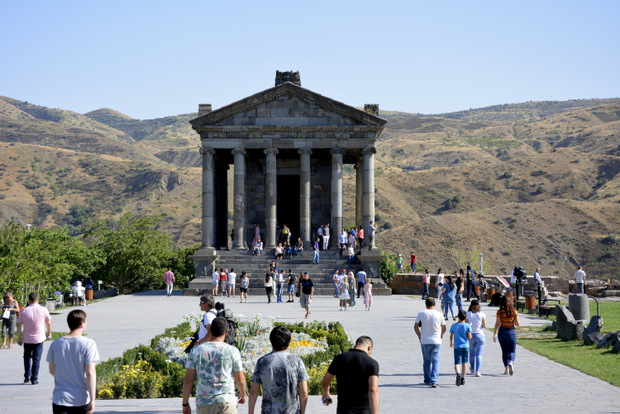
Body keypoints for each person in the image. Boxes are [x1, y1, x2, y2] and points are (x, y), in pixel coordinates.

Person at [182, 317, 247, 414]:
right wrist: (243, 394)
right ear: (226, 332)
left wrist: (185, 404)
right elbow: (240, 379)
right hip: (226, 401)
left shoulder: (196, 350)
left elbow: (188, 380)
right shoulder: (232, 351)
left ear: (210, 329)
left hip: (204, 402)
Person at [47, 309, 100, 414]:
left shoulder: (56, 343)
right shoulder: (89, 344)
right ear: (82, 324)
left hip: (60, 398)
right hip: (81, 398)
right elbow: (90, 373)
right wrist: (93, 400)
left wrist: (65, 377)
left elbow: (52, 370)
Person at [249, 325, 309, 414]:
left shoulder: (262, 362)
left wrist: (250, 412)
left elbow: (254, 391)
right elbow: (303, 391)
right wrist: (302, 412)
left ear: (271, 340)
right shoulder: (297, 361)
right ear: (288, 341)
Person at [321, 336, 379, 414]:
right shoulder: (372, 363)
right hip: (364, 410)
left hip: (343, 410)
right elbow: (373, 390)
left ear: (355, 345)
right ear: (369, 348)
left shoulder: (339, 358)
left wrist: (326, 394)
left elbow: (325, 382)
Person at [17, 292, 51, 385]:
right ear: (38, 299)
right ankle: (34, 378)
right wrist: (49, 333)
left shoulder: (24, 310)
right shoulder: (43, 310)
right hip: (39, 338)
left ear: (29, 300)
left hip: (27, 339)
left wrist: (19, 337)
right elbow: (48, 323)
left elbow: (19, 324)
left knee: (26, 357)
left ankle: (27, 376)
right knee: (36, 359)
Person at [414, 297, 446, 388]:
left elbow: (415, 327)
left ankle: (427, 379)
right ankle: (434, 380)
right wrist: (441, 334)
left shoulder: (421, 313)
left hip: (425, 340)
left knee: (426, 361)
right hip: (436, 340)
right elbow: (444, 327)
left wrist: (419, 335)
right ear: (435, 305)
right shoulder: (439, 314)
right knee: (436, 361)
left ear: (426, 305)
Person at [493, 295, 520, 375]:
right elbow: (517, 324)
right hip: (511, 331)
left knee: (504, 351)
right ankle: (511, 362)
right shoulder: (514, 311)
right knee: (512, 350)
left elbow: (497, 323)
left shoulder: (499, 311)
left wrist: (495, 334)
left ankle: (506, 368)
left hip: (502, 331)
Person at [449, 310, 472, 386]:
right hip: (465, 346)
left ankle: (458, 373)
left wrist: (451, 343)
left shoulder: (454, 325)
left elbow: (451, 335)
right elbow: (469, 337)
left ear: (458, 317)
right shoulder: (468, 326)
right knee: (464, 362)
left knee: (457, 362)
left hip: (457, 346)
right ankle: (463, 378)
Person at [466, 299, 487, 377]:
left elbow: (466, 325)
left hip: (471, 335)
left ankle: (472, 368)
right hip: (480, 335)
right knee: (479, 354)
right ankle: (478, 371)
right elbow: (485, 326)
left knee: (471, 353)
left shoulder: (468, 314)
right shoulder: (481, 314)